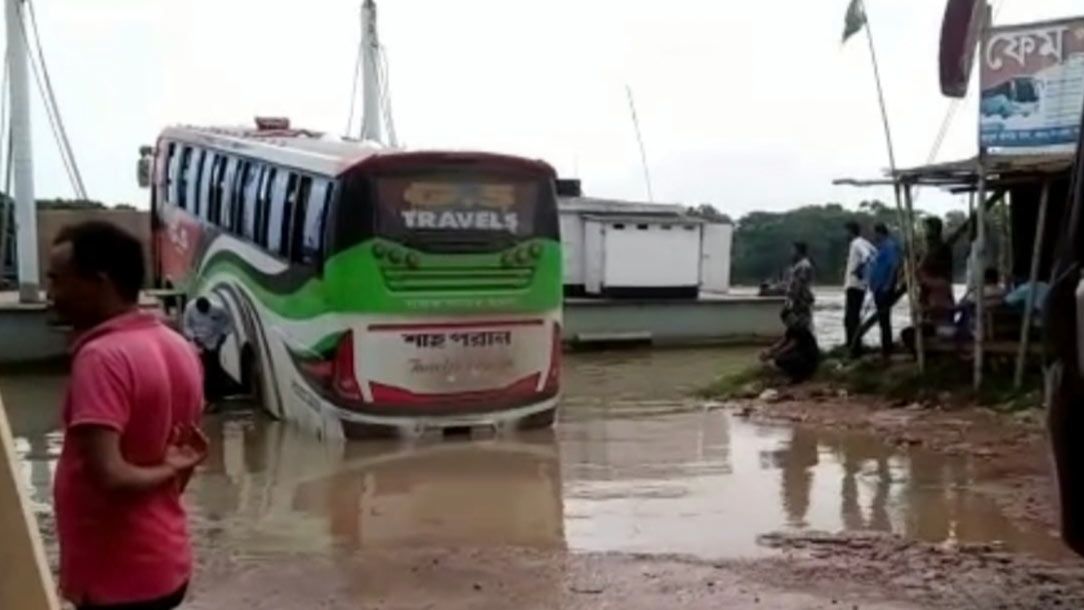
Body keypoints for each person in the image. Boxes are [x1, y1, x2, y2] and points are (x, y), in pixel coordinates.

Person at [46, 221, 208, 610]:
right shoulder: (178, 346)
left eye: (59, 280)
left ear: (98, 282)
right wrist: (169, 470)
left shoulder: (101, 358)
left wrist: (166, 470)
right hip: (165, 560)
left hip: (118, 577)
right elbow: (182, 460)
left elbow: (111, 477)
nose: (51, 295)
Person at [903, 217, 956, 354]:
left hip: (935, 290)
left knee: (927, 323)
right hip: (929, 290)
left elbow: (930, 270)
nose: (925, 233)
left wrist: (920, 273)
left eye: (927, 229)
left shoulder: (940, 249)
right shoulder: (930, 248)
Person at [183, 295, 233, 399]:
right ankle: (201, 393)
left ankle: (214, 394)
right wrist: (194, 337)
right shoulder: (190, 308)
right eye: (201, 310)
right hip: (197, 341)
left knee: (213, 368)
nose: (204, 312)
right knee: (199, 368)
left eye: (206, 310)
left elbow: (229, 323)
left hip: (213, 340)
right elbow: (186, 326)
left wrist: (223, 335)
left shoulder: (219, 309)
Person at [843, 221, 876, 358]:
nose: (844, 234)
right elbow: (874, 254)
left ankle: (853, 348)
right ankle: (854, 346)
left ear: (850, 231)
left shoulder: (856, 243)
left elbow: (868, 256)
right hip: (859, 285)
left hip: (854, 285)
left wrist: (859, 270)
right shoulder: (864, 242)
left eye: (845, 231)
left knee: (850, 318)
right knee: (852, 318)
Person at [869, 223, 901, 359]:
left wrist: (889, 284)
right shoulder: (881, 248)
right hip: (878, 288)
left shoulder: (890, 246)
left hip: (884, 288)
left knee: (884, 318)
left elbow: (894, 266)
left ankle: (887, 349)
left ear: (880, 233)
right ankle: (885, 347)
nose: (874, 236)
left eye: (875, 233)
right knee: (882, 319)